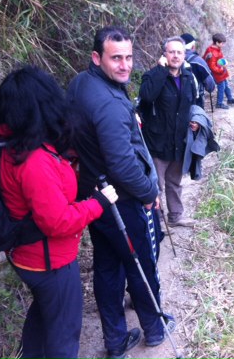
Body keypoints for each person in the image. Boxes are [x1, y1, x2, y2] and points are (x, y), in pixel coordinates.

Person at [0, 65, 119, 359]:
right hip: (50, 262)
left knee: (42, 319)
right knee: (64, 334)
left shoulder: (14, 146)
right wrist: (98, 202)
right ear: (41, 105)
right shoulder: (34, 160)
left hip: (29, 256)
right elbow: (57, 221)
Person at [67, 26, 173, 359]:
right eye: (116, 58)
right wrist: (147, 193)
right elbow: (123, 163)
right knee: (141, 264)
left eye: (128, 57)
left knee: (108, 266)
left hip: (97, 196)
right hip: (124, 201)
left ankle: (115, 338)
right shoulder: (108, 103)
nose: (125, 65)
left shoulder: (82, 83)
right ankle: (154, 329)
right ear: (97, 57)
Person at [138, 36, 198, 227]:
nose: (175, 56)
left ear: (184, 55)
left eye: (179, 52)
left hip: (179, 141)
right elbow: (146, 97)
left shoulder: (189, 77)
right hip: (157, 141)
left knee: (175, 182)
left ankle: (175, 216)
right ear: (164, 54)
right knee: (156, 186)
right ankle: (156, 222)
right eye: (171, 52)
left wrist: (195, 121)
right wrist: (161, 71)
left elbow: (194, 105)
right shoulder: (152, 75)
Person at [182, 104, 220, 180]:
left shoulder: (203, 129)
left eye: (195, 123)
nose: (193, 125)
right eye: (191, 122)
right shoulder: (186, 125)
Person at [204, 33, 234, 109]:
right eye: (222, 43)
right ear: (217, 43)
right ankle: (219, 103)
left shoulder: (216, 49)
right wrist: (221, 69)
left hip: (221, 72)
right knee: (221, 87)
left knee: (226, 85)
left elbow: (218, 59)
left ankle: (230, 99)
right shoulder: (212, 53)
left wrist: (223, 64)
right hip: (217, 74)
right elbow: (212, 66)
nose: (223, 45)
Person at [181, 33, 215, 108]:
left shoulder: (172, 59)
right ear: (193, 46)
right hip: (196, 100)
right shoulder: (198, 61)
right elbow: (210, 86)